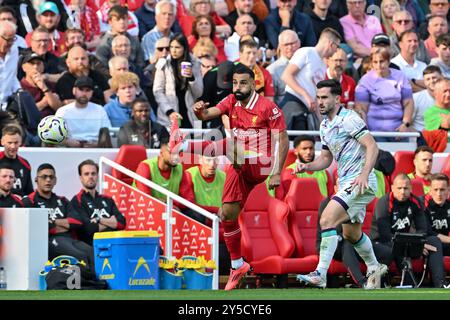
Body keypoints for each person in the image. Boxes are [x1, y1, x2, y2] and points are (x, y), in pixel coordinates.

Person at [187, 63, 289, 290]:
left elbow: (283, 140)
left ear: (253, 84)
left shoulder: (267, 108)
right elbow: (208, 114)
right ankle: (237, 264)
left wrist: (276, 173)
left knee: (231, 145)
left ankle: (183, 146)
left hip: (260, 165)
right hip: (238, 162)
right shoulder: (231, 101)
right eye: (234, 83)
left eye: (243, 82)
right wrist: (199, 111)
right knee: (227, 214)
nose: (238, 87)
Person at [295, 79, 387, 289]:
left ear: (337, 99)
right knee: (351, 234)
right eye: (318, 98)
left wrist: (364, 174)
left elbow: (372, 146)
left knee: (327, 219)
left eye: (325, 97)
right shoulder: (325, 125)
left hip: (360, 181)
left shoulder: (349, 119)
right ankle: (373, 266)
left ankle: (320, 273)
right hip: (347, 182)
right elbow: (326, 159)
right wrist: (307, 167)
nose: (320, 102)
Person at [371, 173, 449, 288]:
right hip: (382, 243)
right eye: (399, 188)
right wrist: (413, 244)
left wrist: (417, 244)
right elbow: (385, 235)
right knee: (399, 248)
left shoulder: (415, 202)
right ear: (392, 188)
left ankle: (441, 284)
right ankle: (409, 284)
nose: (402, 191)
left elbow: (422, 229)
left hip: (407, 242)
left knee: (434, 241)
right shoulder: (384, 202)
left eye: (406, 188)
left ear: (411, 189)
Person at [22, 163, 95, 271]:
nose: (48, 180)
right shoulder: (28, 201)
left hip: (70, 238)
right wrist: (65, 224)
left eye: (51, 177)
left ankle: (98, 285)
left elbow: (77, 222)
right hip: (49, 241)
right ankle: (85, 285)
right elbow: (42, 227)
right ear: (36, 180)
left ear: (55, 180)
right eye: (44, 177)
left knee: (92, 252)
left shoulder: (63, 200)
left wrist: (53, 221)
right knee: (80, 256)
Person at [280, 28, 341, 131]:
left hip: (307, 108)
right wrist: (305, 95)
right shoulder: (306, 52)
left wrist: (322, 123)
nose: (336, 51)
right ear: (331, 44)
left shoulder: (322, 65)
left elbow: (315, 92)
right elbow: (286, 75)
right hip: (292, 103)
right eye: (337, 46)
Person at [355, 48, 413, 141]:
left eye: (382, 61)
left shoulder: (400, 76)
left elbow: (409, 103)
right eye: (375, 62)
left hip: (399, 130)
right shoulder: (365, 80)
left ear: (388, 61)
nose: (378, 65)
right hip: (375, 132)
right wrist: (366, 133)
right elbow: (361, 109)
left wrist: (405, 124)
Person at [70, 159, 126, 246]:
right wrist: (111, 222)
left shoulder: (108, 199)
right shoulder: (76, 200)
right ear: (81, 178)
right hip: (92, 245)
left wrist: (98, 219)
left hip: (114, 243)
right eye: (86, 174)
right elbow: (88, 229)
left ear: (97, 176)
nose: (90, 176)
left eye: (93, 173)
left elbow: (122, 223)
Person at [153, 33, 203, 129]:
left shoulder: (194, 63)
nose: (173, 51)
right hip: (169, 114)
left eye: (177, 47)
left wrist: (191, 78)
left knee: (192, 142)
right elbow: (158, 91)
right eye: (171, 47)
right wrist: (169, 111)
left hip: (190, 114)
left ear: (184, 48)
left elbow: (198, 93)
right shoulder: (163, 64)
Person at [55, 76, 111, 148]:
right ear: (74, 91)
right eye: (81, 90)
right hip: (69, 150)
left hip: (95, 149)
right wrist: (68, 142)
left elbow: (108, 134)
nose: (84, 93)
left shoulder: (100, 110)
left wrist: (97, 144)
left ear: (92, 92)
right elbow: (55, 136)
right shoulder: (63, 111)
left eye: (88, 90)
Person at [134, 137, 183, 201]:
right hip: (144, 209)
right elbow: (145, 199)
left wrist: (172, 205)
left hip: (171, 208)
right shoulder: (145, 167)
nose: (176, 156)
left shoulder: (179, 168)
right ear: (161, 152)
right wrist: (169, 204)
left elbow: (187, 199)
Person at [95, 5, 144, 70]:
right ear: (110, 22)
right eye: (117, 19)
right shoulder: (103, 44)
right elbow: (102, 69)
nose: (122, 22)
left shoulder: (134, 40)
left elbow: (140, 63)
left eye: (124, 18)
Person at [179, 154, 226, 221]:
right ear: (200, 160)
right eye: (208, 160)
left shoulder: (224, 177)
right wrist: (216, 210)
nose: (212, 164)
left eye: (215, 160)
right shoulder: (189, 175)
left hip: (220, 222)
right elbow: (188, 205)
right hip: (198, 222)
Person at [19, 52, 62, 118]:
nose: (35, 67)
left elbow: (59, 109)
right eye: (32, 63)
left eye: (38, 63)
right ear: (24, 67)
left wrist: (44, 88)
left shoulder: (50, 84)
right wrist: (44, 103)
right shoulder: (19, 86)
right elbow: (24, 113)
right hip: (31, 125)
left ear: (43, 67)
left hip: (51, 123)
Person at [266, 30, 300, 105]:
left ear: (299, 43)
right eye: (286, 45)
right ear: (280, 46)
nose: (290, 47)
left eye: (292, 43)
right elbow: (270, 101)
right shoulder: (272, 70)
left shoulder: (307, 64)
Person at [0, 125, 33, 197]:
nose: (13, 146)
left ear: (20, 142)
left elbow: (29, 192)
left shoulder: (25, 164)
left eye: (16, 142)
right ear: (2, 142)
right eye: (10, 143)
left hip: (19, 205)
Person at [423, 173, 450, 257]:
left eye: (442, 190)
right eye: (435, 190)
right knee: (434, 242)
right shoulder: (422, 205)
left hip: (446, 244)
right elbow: (429, 233)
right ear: (430, 191)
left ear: (448, 191)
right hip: (428, 244)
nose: (439, 194)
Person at [141, 0, 176, 64]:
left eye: (170, 14)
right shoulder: (148, 38)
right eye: (164, 14)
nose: (167, 17)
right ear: (156, 17)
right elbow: (152, 62)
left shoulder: (175, 38)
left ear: (174, 18)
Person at [412, 65, 442, 131]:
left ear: (441, 78)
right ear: (424, 82)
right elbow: (408, 124)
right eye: (428, 79)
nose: (431, 81)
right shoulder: (415, 98)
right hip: (420, 138)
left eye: (434, 77)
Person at [0, 20, 21, 109]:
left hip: (7, 106)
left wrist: (19, 91)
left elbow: (12, 76)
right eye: (8, 40)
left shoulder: (14, 50)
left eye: (13, 39)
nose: (10, 43)